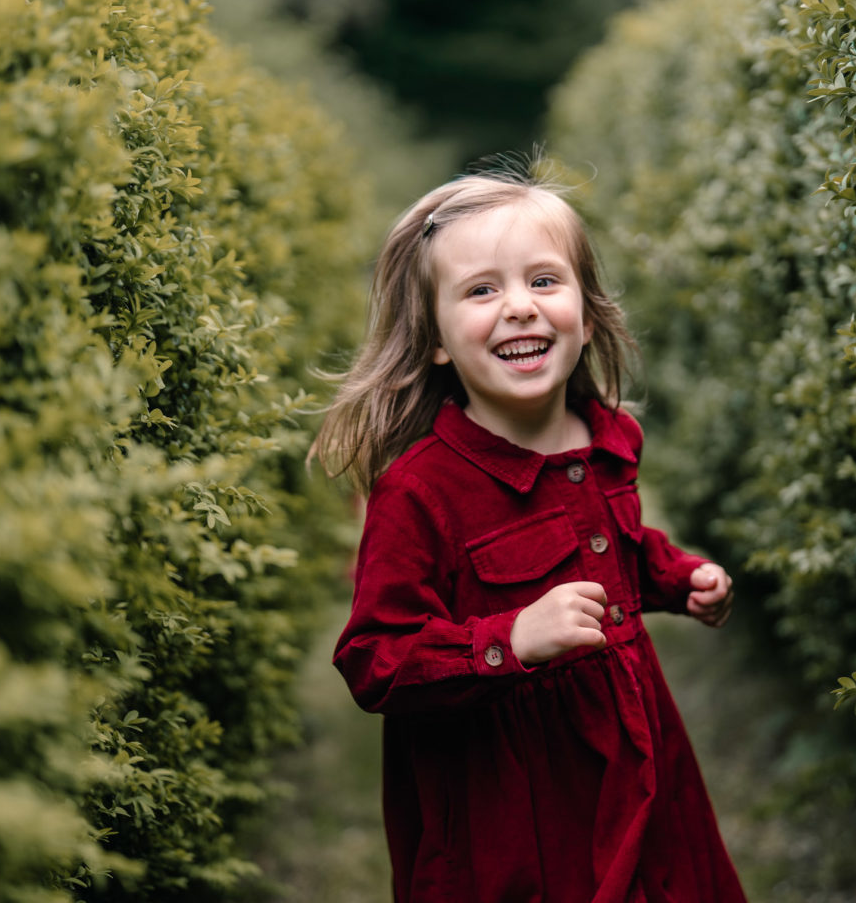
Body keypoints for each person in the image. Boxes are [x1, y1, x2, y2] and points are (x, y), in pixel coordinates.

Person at [312, 167, 748, 903]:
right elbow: (375, 657)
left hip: (636, 758)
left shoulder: (607, 437)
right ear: (437, 342)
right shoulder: (420, 490)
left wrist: (677, 577)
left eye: (544, 281)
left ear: (585, 310)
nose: (518, 307)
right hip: (509, 809)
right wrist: (506, 641)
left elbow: (618, 543)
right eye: (481, 290)